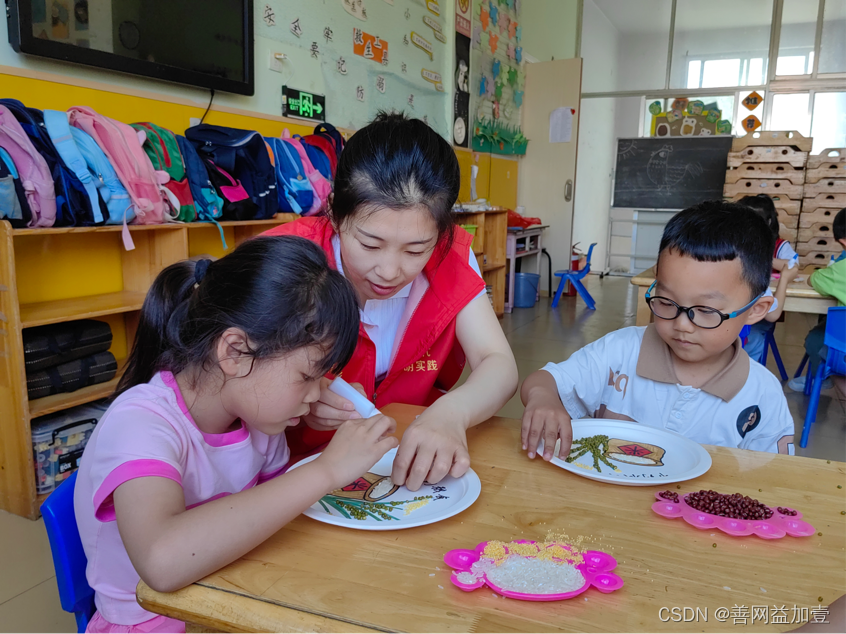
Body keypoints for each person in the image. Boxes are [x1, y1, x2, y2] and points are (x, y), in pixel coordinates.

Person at [74, 236, 399, 633]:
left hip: (232, 596)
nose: (317, 394)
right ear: (234, 352)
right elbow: (162, 561)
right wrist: (325, 472)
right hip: (155, 621)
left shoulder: (259, 422)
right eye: (307, 376)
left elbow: (270, 517)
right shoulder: (141, 423)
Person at [264, 112, 518, 491]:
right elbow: (228, 379)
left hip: (399, 464)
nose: (389, 271)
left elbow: (497, 363)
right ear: (334, 213)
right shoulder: (281, 258)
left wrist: (450, 414)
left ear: (441, 233)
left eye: (416, 249)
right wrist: (293, 399)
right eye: (369, 244)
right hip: (291, 476)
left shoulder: (450, 257)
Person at [520, 201, 795, 462]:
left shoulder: (762, 395)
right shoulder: (620, 351)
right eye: (666, 302)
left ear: (756, 310)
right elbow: (543, 381)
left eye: (706, 311)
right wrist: (543, 398)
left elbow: (772, 479)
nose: (682, 324)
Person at [789, 207, 846, 396]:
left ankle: (827, 378)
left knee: (820, 345)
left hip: (843, 351)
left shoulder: (838, 272)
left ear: (842, 241)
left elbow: (812, 279)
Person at [738, 194, 800, 362]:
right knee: (753, 335)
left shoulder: (779, 245)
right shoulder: (748, 266)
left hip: (740, 317)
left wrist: (761, 257)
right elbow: (772, 315)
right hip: (746, 321)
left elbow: (793, 264)